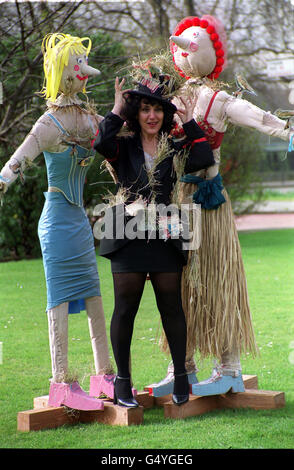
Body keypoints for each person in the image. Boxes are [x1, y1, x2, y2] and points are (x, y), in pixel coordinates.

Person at [150, 15, 293, 396]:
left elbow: (260, 118)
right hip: (176, 203)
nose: (184, 48)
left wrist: (287, 129)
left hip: (209, 203)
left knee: (217, 281)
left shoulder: (219, 98)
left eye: (192, 43)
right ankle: (182, 366)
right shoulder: (166, 102)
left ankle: (229, 367)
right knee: (175, 285)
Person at [0, 33, 114, 411]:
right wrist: (2, 180)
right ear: (65, 72)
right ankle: (61, 381)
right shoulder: (49, 123)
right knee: (60, 301)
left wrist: (122, 109)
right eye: (78, 66)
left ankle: (105, 375)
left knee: (95, 296)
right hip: (56, 222)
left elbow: (114, 132)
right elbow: (19, 159)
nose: (84, 74)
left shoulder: (88, 117)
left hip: (79, 222)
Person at [93, 71, 215, 407]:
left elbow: (204, 159)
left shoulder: (174, 146)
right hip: (127, 231)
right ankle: (122, 382)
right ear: (137, 112)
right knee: (125, 309)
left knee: (172, 307)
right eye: (145, 108)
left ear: (165, 114)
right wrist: (116, 110)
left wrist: (189, 122)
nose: (151, 115)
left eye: (158, 109)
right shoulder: (123, 144)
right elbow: (100, 144)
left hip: (166, 230)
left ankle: (180, 377)